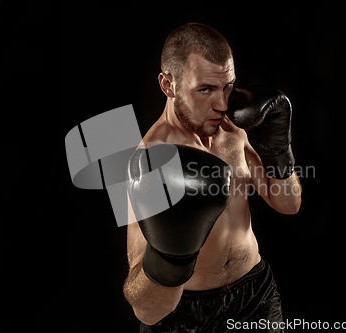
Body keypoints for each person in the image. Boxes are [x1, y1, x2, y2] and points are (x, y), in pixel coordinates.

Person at [123, 22, 301, 332]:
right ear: (168, 85)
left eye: (227, 86)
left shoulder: (233, 131)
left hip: (255, 296)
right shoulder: (150, 163)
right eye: (205, 89)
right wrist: (169, 259)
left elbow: (289, 204)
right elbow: (146, 310)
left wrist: (279, 151)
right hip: (185, 315)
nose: (221, 104)